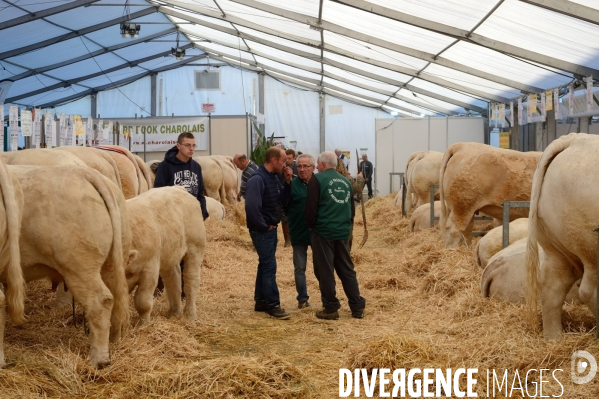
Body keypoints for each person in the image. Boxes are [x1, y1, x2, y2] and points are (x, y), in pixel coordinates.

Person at [305, 151, 366, 320]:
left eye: (318, 164)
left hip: (324, 232)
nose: (316, 167)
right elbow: (351, 209)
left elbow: (310, 208)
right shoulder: (346, 181)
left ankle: (331, 307)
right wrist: (347, 228)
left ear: (324, 164)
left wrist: (312, 227)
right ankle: (357, 306)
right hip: (343, 232)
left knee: (325, 270)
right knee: (346, 269)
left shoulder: (316, 180)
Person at [153, 132, 209, 296]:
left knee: (188, 256)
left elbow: (199, 193)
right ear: (178, 146)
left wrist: (203, 212)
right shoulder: (165, 166)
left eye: (193, 146)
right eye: (187, 145)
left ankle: (184, 292)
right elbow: (158, 194)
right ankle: (160, 289)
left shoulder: (196, 167)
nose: (191, 149)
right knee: (169, 256)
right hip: (171, 219)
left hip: (190, 220)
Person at [246, 147, 293, 319]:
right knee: (269, 266)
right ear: (273, 160)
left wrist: (287, 182)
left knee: (264, 264)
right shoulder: (257, 179)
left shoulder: (273, 178)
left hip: (270, 229)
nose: (285, 165)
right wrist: (264, 226)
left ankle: (261, 301)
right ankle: (273, 305)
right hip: (263, 231)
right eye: (283, 161)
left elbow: (283, 201)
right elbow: (251, 207)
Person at [284, 154, 315, 309]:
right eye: (300, 166)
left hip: (317, 233)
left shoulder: (319, 183)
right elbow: (284, 203)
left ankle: (327, 297)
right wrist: (287, 181)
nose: (302, 169)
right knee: (300, 268)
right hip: (298, 232)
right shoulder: (291, 184)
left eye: (305, 166)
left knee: (321, 267)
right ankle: (302, 299)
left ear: (313, 168)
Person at [278, 149, 298, 247]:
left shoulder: (297, 168)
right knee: (284, 218)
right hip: (284, 195)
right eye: (286, 159)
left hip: (294, 195)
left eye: (290, 158)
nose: (288, 161)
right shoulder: (281, 168)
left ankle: (294, 237)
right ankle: (287, 240)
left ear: (294, 158)